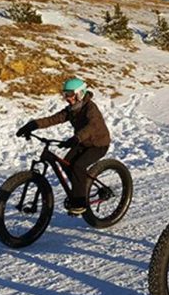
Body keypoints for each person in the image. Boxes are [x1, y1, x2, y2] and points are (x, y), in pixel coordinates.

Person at [16, 77, 111, 215]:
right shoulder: (72, 109)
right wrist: (32, 125)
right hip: (82, 142)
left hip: (98, 144)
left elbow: (92, 127)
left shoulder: (91, 109)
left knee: (78, 166)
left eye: (70, 94)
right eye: (65, 95)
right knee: (67, 163)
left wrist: (76, 138)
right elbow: (53, 119)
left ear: (80, 93)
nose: (67, 98)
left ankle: (80, 202)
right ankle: (81, 188)